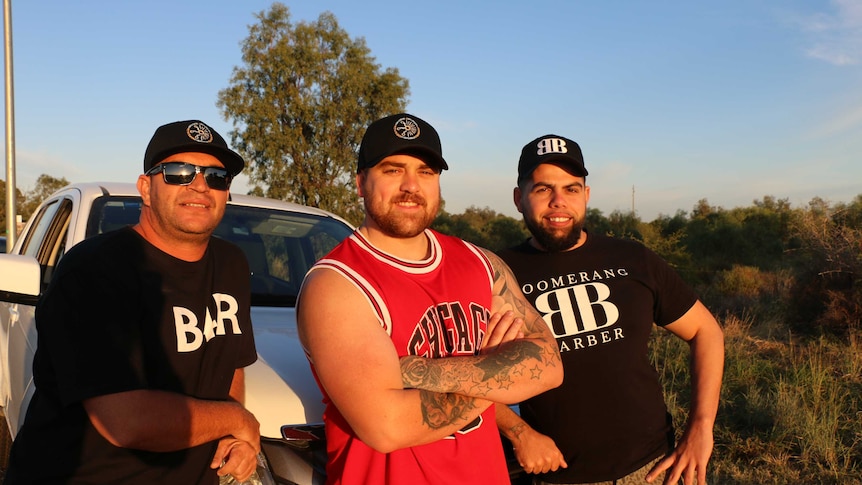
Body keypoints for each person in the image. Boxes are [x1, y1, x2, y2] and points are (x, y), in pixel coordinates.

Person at [296, 113, 564, 485]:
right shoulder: (336, 284)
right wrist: (496, 370)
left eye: (426, 171)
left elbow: (550, 364)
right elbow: (386, 426)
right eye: (393, 170)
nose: (411, 185)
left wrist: (415, 371)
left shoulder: (481, 263)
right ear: (360, 183)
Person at [5, 120, 261, 484]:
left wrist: (234, 435)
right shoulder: (96, 269)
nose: (200, 185)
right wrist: (239, 421)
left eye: (217, 176)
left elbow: (231, 360)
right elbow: (124, 420)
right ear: (145, 188)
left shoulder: (232, 263)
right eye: (178, 172)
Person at [495, 134, 725, 485]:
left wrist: (700, 428)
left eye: (571, 189)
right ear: (518, 198)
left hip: (652, 468)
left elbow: (705, 331)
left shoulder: (632, 257)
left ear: (586, 196)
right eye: (543, 190)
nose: (559, 202)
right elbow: (465, 376)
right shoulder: (496, 273)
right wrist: (519, 433)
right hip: (553, 475)